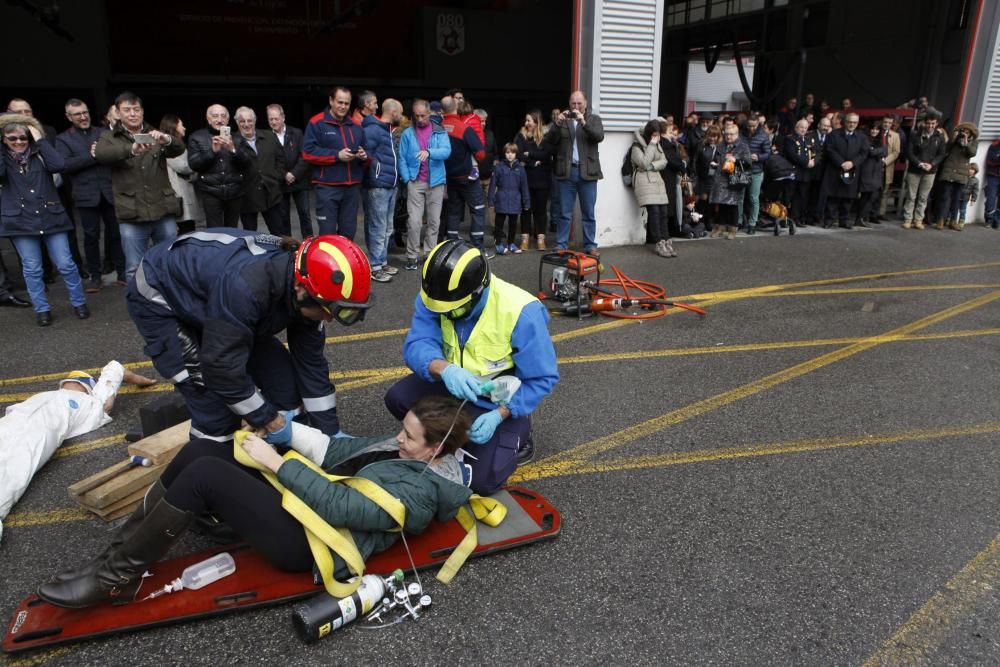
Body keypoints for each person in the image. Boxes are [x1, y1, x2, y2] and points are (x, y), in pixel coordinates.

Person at [37, 394, 473, 609]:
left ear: (435, 450)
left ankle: (114, 578)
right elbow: (343, 453)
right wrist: (286, 435)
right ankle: (120, 559)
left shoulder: (421, 493)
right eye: (402, 427)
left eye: (409, 436)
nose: (397, 436)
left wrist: (278, 464)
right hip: (307, 511)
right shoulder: (401, 449)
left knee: (206, 475)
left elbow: (342, 508)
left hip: (314, 543)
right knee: (202, 452)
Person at [126, 230, 372, 443]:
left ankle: (290, 462)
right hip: (162, 299)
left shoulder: (309, 288)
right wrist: (269, 420)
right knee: (210, 400)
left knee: (284, 385)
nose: (329, 319)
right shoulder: (247, 288)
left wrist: (328, 434)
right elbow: (223, 370)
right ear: (300, 289)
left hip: (221, 304)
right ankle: (211, 470)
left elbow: (311, 363)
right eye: (327, 311)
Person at [384, 240, 559, 492]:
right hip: (452, 383)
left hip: (498, 400)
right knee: (397, 398)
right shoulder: (436, 296)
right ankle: (456, 431)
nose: (447, 315)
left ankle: (520, 430)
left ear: (477, 291)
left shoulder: (522, 312)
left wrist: (501, 414)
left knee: (482, 482)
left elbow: (542, 379)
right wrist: (444, 369)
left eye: (454, 310)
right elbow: (418, 344)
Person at [0, 363, 155, 543]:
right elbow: (115, 369)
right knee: (15, 467)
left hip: (35, 431)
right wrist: (140, 380)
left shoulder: (90, 404)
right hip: (19, 424)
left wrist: (139, 380)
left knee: (14, 469)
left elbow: (115, 369)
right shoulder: (85, 402)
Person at [0, 114, 88, 326]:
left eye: (23, 138)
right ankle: (42, 309)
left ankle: (79, 303)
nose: (19, 142)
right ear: (3, 139)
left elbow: (59, 165)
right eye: (12, 138)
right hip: (21, 222)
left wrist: (40, 140)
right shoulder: (4, 159)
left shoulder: (39, 152)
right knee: (32, 268)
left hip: (51, 217)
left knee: (66, 264)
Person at [95, 92, 184, 281]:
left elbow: (179, 148)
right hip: (131, 213)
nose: (132, 114)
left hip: (162, 210)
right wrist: (131, 149)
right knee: (134, 268)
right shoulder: (109, 137)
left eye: (136, 110)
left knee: (167, 262)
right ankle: (141, 308)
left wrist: (166, 140)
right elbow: (102, 155)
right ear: (118, 113)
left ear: (142, 112)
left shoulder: (154, 132)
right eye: (127, 110)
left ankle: (168, 304)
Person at [57, 98, 127, 291]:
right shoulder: (63, 139)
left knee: (116, 234)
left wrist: (101, 155)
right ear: (69, 117)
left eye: (85, 112)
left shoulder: (103, 133)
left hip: (109, 191)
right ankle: (95, 276)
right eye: (77, 114)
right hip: (85, 195)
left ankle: (122, 272)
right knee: (90, 236)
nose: (83, 117)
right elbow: (66, 165)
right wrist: (93, 156)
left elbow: (115, 156)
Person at [303, 86, 369, 239]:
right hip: (327, 187)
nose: (343, 107)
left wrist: (365, 156)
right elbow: (307, 153)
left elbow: (368, 151)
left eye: (346, 103)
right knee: (328, 234)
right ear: (331, 101)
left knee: (348, 233)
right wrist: (336, 155)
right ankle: (327, 263)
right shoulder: (316, 123)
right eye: (340, 102)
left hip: (351, 189)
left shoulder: (356, 126)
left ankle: (344, 263)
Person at [545, 91, 604, 254]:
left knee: (588, 212)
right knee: (564, 212)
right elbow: (549, 141)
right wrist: (557, 123)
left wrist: (583, 122)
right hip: (567, 171)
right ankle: (562, 245)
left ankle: (590, 245)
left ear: (585, 103)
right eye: (573, 103)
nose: (576, 106)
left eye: (579, 103)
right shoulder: (563, 121)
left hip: (588, 171)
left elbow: (599, 136)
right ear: (569, 104)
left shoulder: (593, 119)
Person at [397, 99, 451, 271]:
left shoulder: (439, 131)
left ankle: (429, 254)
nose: (420, 119)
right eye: (417, 115)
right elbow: (402, 158)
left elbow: (446, 151)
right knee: (414, 222)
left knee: (434, 222)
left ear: (430, 114)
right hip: (415, 181)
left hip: (436, 182)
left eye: (423, 115)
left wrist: (429, 152)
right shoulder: (407, 133)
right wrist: (407, 179)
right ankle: (412, 255)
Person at [187, 104, 250, 228]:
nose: (219, 120)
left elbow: (247, 163)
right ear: (208, 118)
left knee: (232, 231)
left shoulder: (237, 138)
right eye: (215, 116)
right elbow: (194, 165)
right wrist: (212, 152)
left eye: (223, 116)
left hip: (234, 192)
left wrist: (233, 149)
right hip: (210, 192)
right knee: (214, 231)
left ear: (227, 119)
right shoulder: (196, 137)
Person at [362, 98, 403, 282]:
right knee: (378, 227)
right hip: (378, 186)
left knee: (387, 227)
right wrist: (375, 173)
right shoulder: (374, 130)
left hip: (390, 185)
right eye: (400, 113)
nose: (401, 117)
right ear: (393, 113)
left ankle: (382, 261)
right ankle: (375, 266)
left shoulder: (386, 131)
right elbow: (365, 156)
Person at [440, 96, 487, 248]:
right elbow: (480, 153)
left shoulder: (438, 127)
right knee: (478, 209)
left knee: (454, 211)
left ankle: (451, 246)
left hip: (448, 178)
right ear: (455, 108)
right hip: (467, 177)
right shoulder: (463, 128)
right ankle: (478, 248)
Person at [234, 107, 286, 234]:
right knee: (250, 235)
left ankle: (281, 254)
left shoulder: (269, 137)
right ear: (237, 123)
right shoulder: (233, 141)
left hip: (271, 193)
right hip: (247, 196)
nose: (246, 124)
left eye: (249, 120)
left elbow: (281, 160)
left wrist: (277, 177)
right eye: (242, 121)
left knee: (278, 233)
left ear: (255, 121)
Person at [631, 119, 674, 257]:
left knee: (663, 211)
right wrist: (651, 145)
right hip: (644, 182)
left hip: (657, 181)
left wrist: (652, 166)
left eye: (658, 134)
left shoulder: (658, 144)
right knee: (654, 211)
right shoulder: (636, 146)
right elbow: (643, 163)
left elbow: (664, 161)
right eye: (654, 134)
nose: (657, 137)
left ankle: (666, 240)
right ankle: (658, 242)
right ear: (649, 134)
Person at [267, 104, 312, 237]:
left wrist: (294, 174)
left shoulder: (296, 133)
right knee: (283, 217)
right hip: (281, 183)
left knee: (305, 214)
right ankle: (289, 248)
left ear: (283, 118)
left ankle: (308, 244)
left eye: (276, 118)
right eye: (270, 119)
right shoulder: (267, 137)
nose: (274, 122)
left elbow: (304, 156)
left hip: (299, 180)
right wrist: (284, 175)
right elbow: (270, 161)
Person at [820, 112, 869, 229]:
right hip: (835, 169)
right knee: (833, 197)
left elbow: (864, 153)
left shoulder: (862, 137)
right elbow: (829, 150)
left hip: (852, 170)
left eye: (855, 122)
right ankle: (829, 220)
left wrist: (852, 163)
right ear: (845, 122)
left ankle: (844, 221)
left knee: (848, 198)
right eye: (850, 122)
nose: (852, 124)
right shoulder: (834, 134)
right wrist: (841, 162)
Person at [159, 114, 205, 236]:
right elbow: (183, 166)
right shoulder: (168, 145)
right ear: (173, 127)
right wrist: (199, 164)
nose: (184, 128)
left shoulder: (178, 144)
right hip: (178, 196)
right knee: (184, 232)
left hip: (184, 194)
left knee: (188, 230)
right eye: (181, 125)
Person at [900, 108, 946, 230]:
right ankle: (907, 219)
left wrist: (932, 164)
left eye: (933, 123)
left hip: (930, 171)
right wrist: (919, 163)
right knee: (911, 195)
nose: (930, 126)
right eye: (928, 123)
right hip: (914, 170)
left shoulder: (939, 137)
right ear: (924, 123)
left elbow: (941, 154)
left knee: (923, 197)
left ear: (936, 124)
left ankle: (918, 220)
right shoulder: (915, 134)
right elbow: (909, 152)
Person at [514, 110, 552, 251]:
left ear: (537, 122)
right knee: (526, 209)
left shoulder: (546, 136)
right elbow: (518, 153)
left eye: (529, 120)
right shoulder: (521, 135)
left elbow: (547, 154)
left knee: (541, 210)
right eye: (526, 120)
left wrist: (530, 153)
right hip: (526, 177)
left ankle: (541, 238)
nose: (526, 123)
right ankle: (525, 239)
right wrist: (532, 162)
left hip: (543, 178)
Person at [709, 124, 751, 240]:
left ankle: (733, 229)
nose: (728, 136)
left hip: (734, 180)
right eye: (726, 134)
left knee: (733, 206)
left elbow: (748, 162)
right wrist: (714, 163)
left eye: (731, 134)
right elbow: (715, 159)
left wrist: (736, 160)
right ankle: (720, 228)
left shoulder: (743, 146)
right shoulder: (720, 145)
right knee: (721, 204)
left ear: (737, 134)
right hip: (720, 179)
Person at [934, 122, 979, 231]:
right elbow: (947, 148)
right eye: (963, 131)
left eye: (967, 132)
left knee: (956, 198)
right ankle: (940, 220)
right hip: (949, 171)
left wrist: (966, 142)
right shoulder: (955, 139)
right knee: (944, 197)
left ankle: (953, 221)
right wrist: (954, 138)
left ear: (971, 133)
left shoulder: (973, 142)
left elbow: (972, 153)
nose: (964, 133)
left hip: (962, 173)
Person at [487, 143, 530, 256]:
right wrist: (490, 200)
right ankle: (498, 244)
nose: (510, 155)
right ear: (504, 153)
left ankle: (511, 243)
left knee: (513, 224)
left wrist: (526, 201)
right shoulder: (499, 167)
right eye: (507, 152)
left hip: (515, 199)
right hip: (501, 198)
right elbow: (492, 185)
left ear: (516, 154)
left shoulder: (520, 169)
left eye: (512, 152)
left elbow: (524, 187)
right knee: (499, 223)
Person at [784, 119, 817, 226]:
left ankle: (796, 218)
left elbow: (816, 152)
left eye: (805, 128)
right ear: (796, 128)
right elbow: (792, 155)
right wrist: (806, 162)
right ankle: (784, 218)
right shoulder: (790, 139)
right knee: (789, 196)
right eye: (801, 127)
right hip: (794, 172)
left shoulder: (809, 140)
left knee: (801, 197)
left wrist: (814, 161)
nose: (803, 130)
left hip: (806, 174)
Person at [856, 124, 888, 227]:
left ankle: (863, 217)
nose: (874, 131)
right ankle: (859, 218)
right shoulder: (865, 139)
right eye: (873, 128)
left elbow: (885, 151)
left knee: (872, 195)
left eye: (877, 129)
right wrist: (879, 151)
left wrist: (877, 151)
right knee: (865, 196)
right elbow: (870, 152)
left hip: (876, 172)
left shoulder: (880, 141)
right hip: (866, 171)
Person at [745, 113, 771, 234]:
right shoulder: (742, 133)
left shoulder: (764, 135)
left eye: (754, 126)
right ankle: (739, 221)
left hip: (756, 170)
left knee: (753, 198)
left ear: (758, 124)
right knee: (740, 197)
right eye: (749, 126)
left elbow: (768, 153)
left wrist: (759, 156)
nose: (751, 128)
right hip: (743, 169)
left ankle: (752, 223)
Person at [694, 125, 722, 236]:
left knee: (712, 201)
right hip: (703, 177)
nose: (712, 138)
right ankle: (701, 221)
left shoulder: (721, 147)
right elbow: (696, 160)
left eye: (715, 136)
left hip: (715, 177)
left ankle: (709, 221)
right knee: (703, 199)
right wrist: (695, 174)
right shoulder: (701, 145)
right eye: (710, 136)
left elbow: (725, 160)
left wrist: (718, 164)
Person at [876, 115, 901, 221]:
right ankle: (869, 212)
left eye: (889, 123)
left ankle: (880, 213)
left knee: (884, 191)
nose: (887, 124)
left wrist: (885, 162)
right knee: (873, 190)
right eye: (885, 122)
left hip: (887, 166)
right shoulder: (876, 132)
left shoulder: (895, 136)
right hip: (875, 165)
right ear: (882, 122)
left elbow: (896, 152)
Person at [984, 137, 1000, 229]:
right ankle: (989, 219)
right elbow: (990, 161)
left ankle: (997, 220)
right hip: (993, 175)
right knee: (991, 198)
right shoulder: (994, 146)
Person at [958, 164, 979, 229]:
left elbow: (975, 191)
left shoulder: (975, 180)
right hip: (958, 195)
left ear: (975, 171)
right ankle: (949, 219)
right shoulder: (963, 176)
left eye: (973, 169)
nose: (971, 171)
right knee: (953, 208)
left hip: (965, 198)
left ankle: (961, 222)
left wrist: (973, 200)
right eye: (970, 169)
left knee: (963, 210)